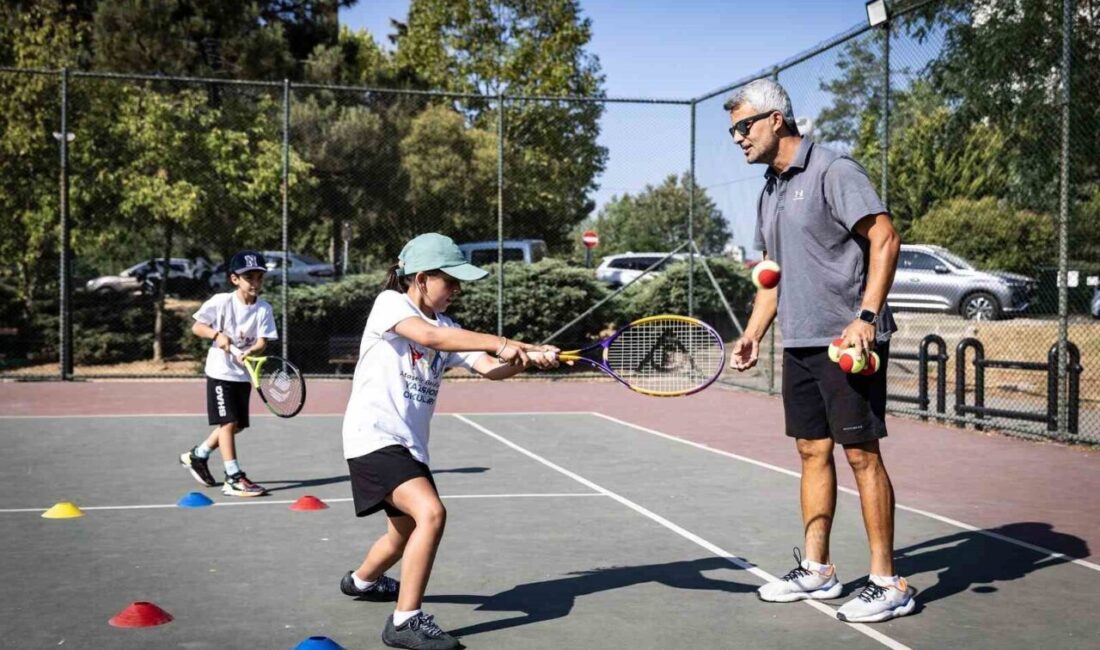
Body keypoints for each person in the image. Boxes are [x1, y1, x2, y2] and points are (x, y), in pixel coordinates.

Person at [725, 79, 913, 623]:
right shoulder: (770, 190)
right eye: (733, 130)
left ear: (775, 120)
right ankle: (818, 569)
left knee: (862, 455)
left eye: (743, 127)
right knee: (811, 452)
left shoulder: (834, 170)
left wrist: (867, 318)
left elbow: (885, 238)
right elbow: (772, 277)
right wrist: (755, 332)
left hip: (847, 340)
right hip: (800, 341)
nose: (737, 138)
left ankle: (887, 581)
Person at [339, 233, 558, 650]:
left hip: (408, 446)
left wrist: (523, 358)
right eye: (450, 280)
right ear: (421, 279)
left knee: (402, 533)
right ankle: (405, 621)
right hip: (374, 436)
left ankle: (361, 580)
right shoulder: (391, 305)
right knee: (432, 514)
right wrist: (504, 342)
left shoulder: (450, 326)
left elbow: (489, 368)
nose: (457, 289)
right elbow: (431, 339)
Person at [179, 250, 278, 497]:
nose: (255, 283)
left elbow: (263, 341)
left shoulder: (264, 309)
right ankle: (233, 477)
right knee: (228, 422)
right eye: (249, 278)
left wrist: (250, 350)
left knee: (237, 426)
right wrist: (217, 335)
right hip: (220, 371)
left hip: (243, 373)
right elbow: (197, 326)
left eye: (259, 277)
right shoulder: (221, 302)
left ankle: (198, 455)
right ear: (235, 279)